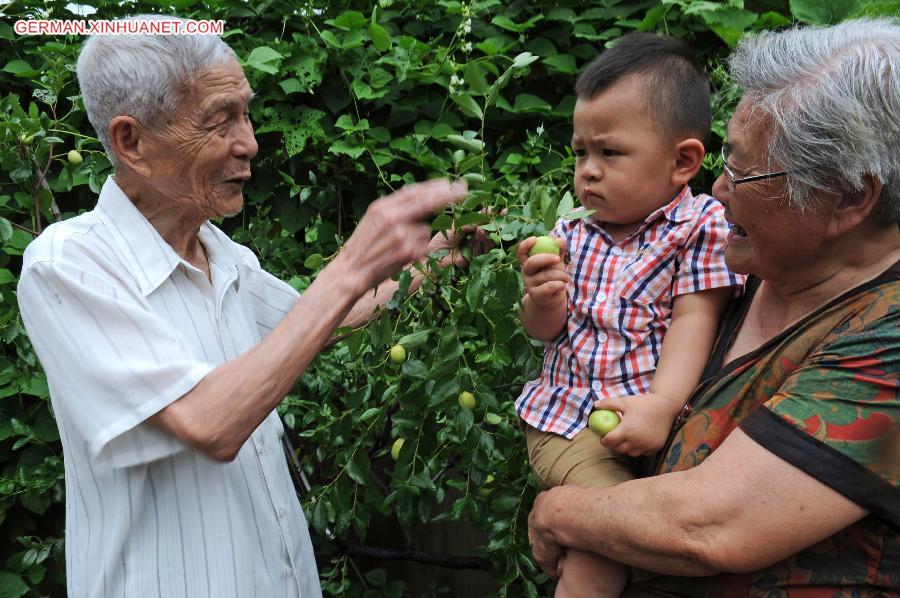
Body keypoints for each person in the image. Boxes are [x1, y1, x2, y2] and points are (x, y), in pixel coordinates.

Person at [16, 16, 470, 598]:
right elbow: (209, 423)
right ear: (132, 143)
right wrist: (351, 262)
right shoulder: (69, 264)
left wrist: (435, 260)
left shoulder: (220, 252)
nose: (249, 142)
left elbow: (318, 322)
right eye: (219, 120)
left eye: (245, 113)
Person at [528, 18, 899, 597]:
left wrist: (561, 511)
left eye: (745, 171)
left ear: (849, 198)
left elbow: (706, 526)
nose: (717, 190)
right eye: (726, 160)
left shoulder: (888, 336)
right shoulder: (738, 271)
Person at [515, 33, 743, 597]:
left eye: (609, 153)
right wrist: (542, 301)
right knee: (602, 547)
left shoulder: (699, 227)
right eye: (579, 153)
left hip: (653, 421)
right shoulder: (571, 233)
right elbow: (545, 335)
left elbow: (695, 319)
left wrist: (663, 406)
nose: (587, 172)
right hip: (571, 426)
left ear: (682, 161)